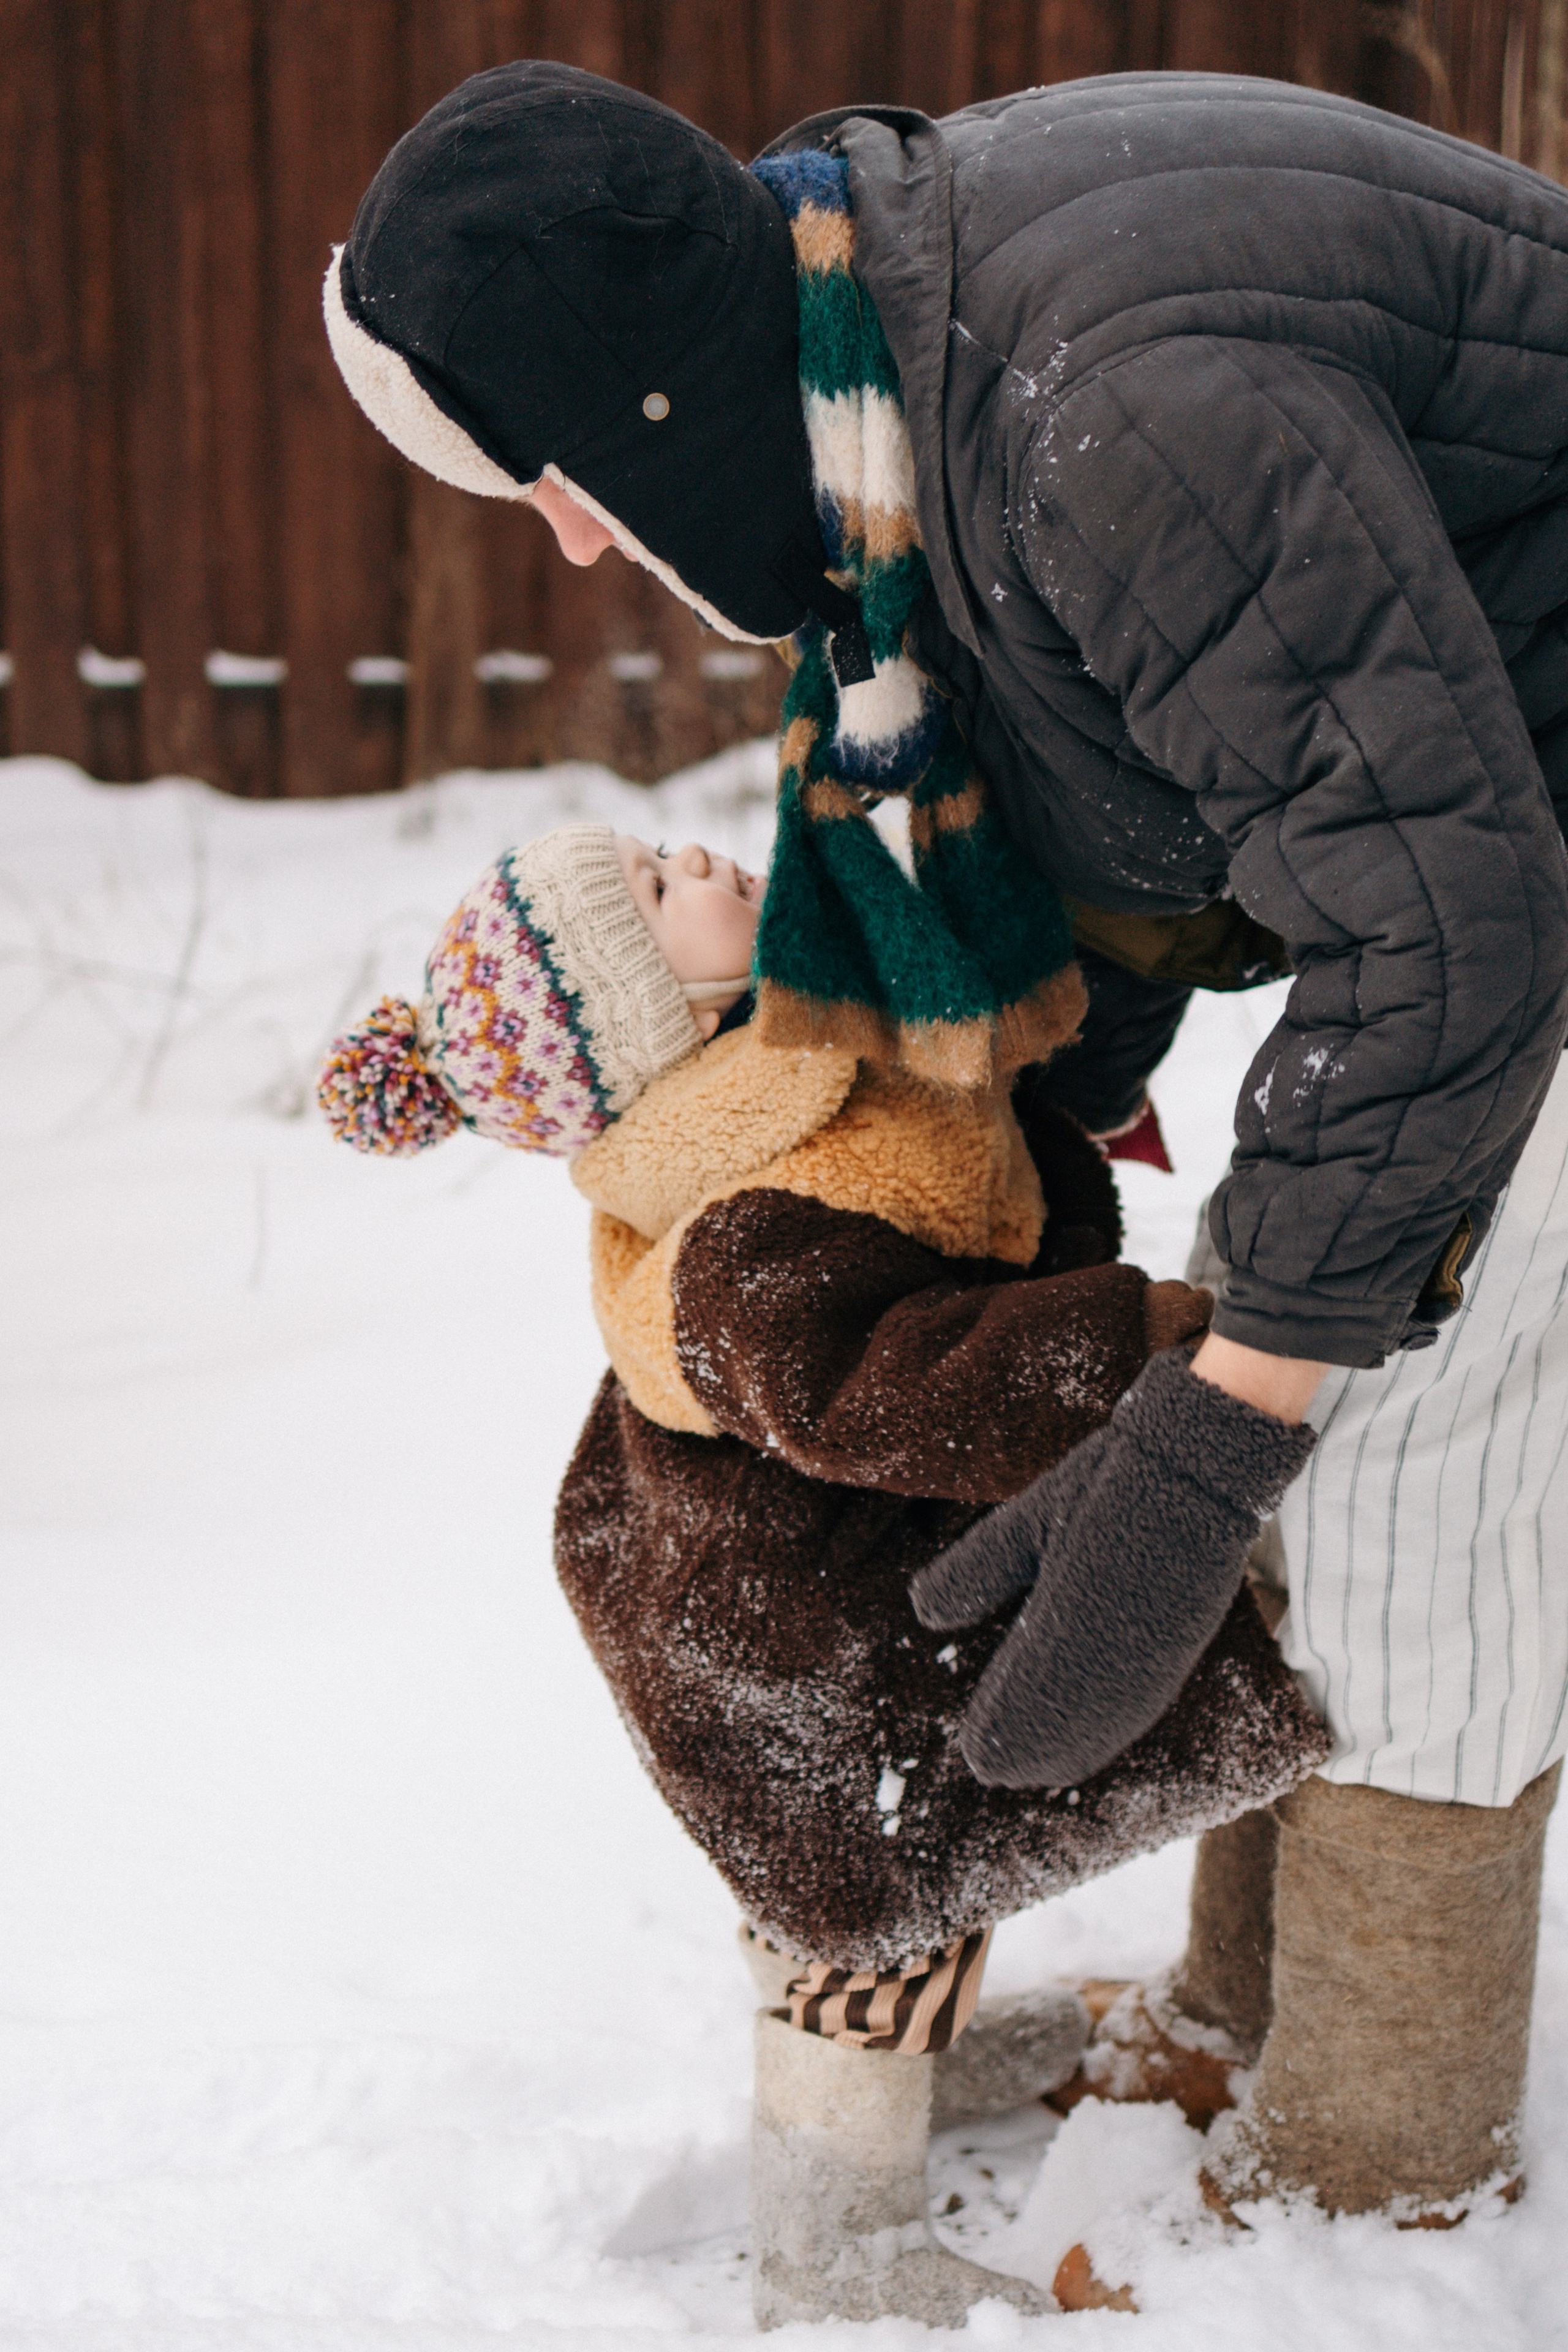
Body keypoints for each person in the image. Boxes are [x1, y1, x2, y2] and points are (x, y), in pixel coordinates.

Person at [323, 63, 1568, 2225]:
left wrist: (1208, 1436)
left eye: (541, 477)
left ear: (634, 408)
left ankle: (1375, 2182)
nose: (574, 541)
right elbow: (1126, 737)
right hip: (1483, 833)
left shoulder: (1102, 415)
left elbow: (1449, 922)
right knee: (1328, 1357)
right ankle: (1230, 2029)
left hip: (1505, 880)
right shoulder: (886, 341)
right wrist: (1063, 1099)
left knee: (1414, 1474)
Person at [317, 818, 1324, 2324]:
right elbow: (886, 1382)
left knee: (863, 1896)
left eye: (660, 852)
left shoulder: (767, 1084)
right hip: (806, 1638)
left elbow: (962, 1186)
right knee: (885, 1899)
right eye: (659, 896)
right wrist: (1137, 1344)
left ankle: (926, 2060)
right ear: (665, 1022)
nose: (698, 862)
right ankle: (836, 2246)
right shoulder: (737, 1220)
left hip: (807, 1584)